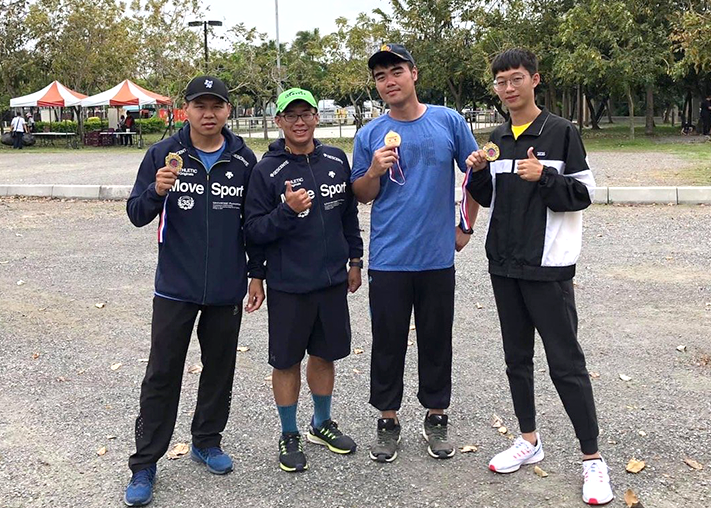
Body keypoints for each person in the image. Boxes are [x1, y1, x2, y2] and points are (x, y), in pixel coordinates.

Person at [464, 48, 613, 505]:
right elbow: (491, 199)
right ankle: (528, 440)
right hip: (504, 264)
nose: (508, 88)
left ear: (534, 80)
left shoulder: (562, 132)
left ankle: (592, 459)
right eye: (501, 81)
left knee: (566, 364)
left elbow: (584, 194)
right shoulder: (497, 137)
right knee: (516, 359)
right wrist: (479, 173)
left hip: (548, 267)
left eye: (516, 78)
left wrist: (545, 176)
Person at [123, 75, 264, 506]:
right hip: (175, 287)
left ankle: (206, 440)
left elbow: (254, 224)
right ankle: (145, 462)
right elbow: (136, 213)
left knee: (219, 368)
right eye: (200, 105)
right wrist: (156, 190)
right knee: (162, 373)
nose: (208, 113)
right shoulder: (163, 154)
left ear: (227, 110)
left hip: (225, 286)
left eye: (216, 105)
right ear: (186, 109)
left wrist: (256, 274)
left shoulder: (244, 160)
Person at [350, 44, 480, 463]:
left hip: (437, 258)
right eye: (380, 76)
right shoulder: (370, 134)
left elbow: (476, 173)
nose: (389, 81)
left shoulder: (448, 121)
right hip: (389, 258)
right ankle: (387, 421)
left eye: (396, 71)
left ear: (414, 74)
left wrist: (465, 226)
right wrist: (374, 170)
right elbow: (361, 194)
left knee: (436, 339)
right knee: (387, 342)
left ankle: (436, 416)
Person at [244, 88, 363, 473]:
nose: (300, 122)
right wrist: (286, 211)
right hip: (288, 284)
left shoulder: (335, 159)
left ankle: (321, 423)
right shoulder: (266, 171)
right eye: (291, 115)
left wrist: (355, 259)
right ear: (278, 121)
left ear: (316, 117)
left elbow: (348, 215)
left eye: (306, 114)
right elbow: (253, 230)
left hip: (331, 282)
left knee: (325, 355)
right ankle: (289, 432)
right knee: (286, 360)